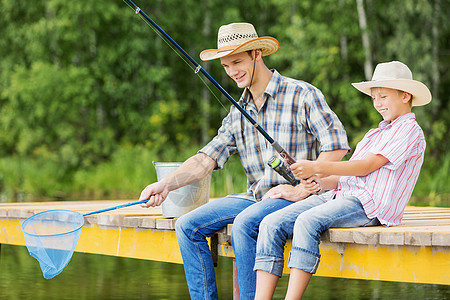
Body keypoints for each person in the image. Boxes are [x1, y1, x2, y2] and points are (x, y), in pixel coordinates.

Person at [139, 22, 350, 300]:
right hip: (258, 196)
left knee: (244, 223)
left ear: (257, 55)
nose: (232, 72)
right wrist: (165, 184)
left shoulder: (302, 94)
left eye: (237, 61)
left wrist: (303, 189)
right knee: (186, 226)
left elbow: (336, 148)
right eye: (226, 66)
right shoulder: (239, 111)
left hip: (297, 198)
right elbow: (205, 160)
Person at [253, 61, 432, 299]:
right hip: (343, 196)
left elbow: (366, 167)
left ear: (405, 95)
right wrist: (316, 181)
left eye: (383, 97)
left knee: (306, 221)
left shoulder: (410, 130)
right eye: (374, 98)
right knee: (269, 223)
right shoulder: (375, 133)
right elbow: (346, 177)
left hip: (370, 206)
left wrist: (317, 165)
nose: (377, 103)